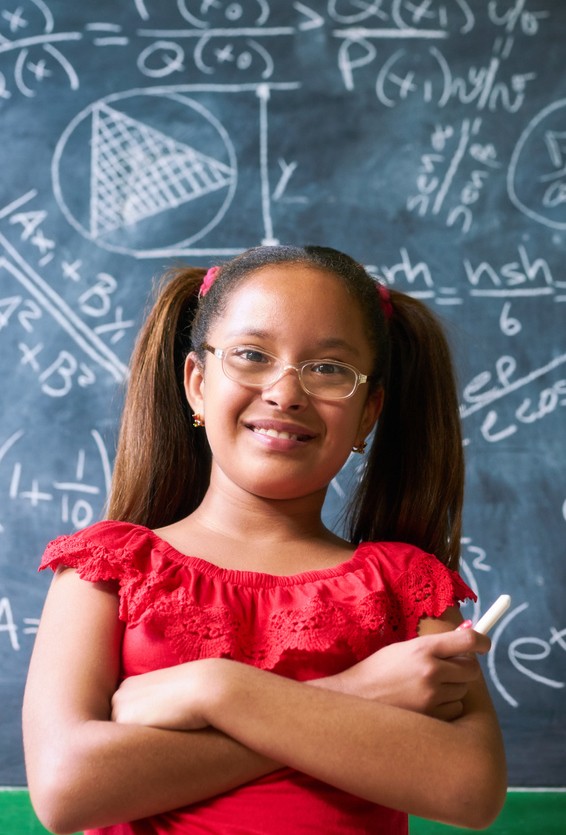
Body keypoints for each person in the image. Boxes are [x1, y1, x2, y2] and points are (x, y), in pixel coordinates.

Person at [23, 245, 507, 835]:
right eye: (252, 355)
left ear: (367, 414)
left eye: (330, 369)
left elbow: (470, 790)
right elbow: (66, 791)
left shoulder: (407, 585)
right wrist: (357, 693)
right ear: (197, 385)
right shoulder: (109, 568)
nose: (286, 392)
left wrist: (212, 690)